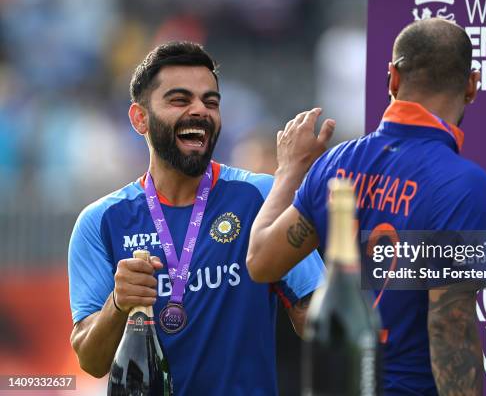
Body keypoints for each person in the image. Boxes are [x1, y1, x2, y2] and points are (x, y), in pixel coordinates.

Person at [247, 18, 486, 396]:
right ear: (472, 86)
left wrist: (289, 170)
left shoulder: (334, 164)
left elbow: (261, 260)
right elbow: (450, 328)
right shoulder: (464, 184)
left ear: (392, 78)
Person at [67, 41, 325, 396]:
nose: (200, 110)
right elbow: (90, 361)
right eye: (180, 100)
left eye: (211, 101)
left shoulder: (260, 196)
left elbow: (317, 317)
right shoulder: (100, 221)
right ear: (139, 118)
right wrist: (118, 303)